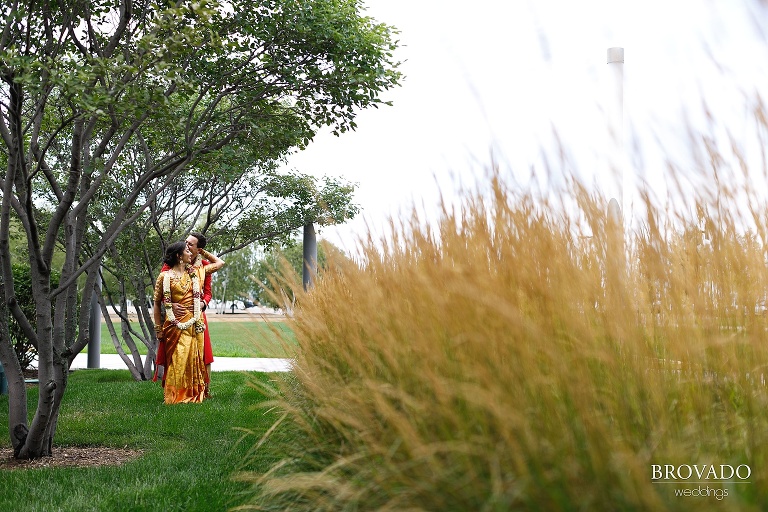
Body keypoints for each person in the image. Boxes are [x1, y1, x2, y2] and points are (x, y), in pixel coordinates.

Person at [153, 241, 225, 404]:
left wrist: (201, 304)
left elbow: (220, 263)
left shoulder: (196, 273)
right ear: (179, 256)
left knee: (194, 359)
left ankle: (193, 394)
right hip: (174, 325)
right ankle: (174, 396)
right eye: (187, 251)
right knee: (178, 358)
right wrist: (159, 327)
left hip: (195, 323)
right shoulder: (165, 276)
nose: (190, 253)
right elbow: (157, 303)